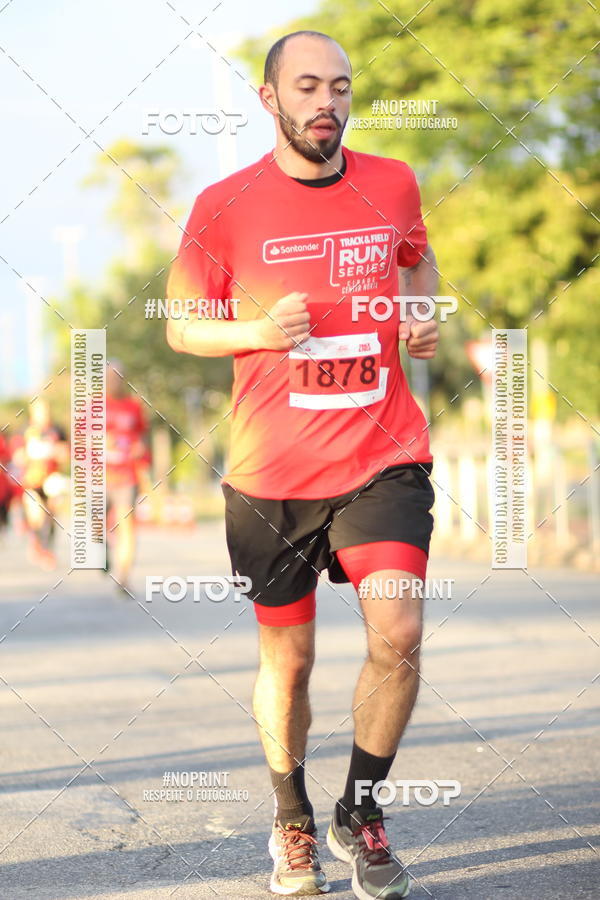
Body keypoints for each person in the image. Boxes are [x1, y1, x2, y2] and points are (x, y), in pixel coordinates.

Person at [166, 30, 439, 899]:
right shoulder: (223, 204)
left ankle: (359, 811)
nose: (329, 102)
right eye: (310, 86)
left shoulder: (391, 181)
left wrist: (422, 314)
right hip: (269, 474)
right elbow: (180, 324)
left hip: (382, 455)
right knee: (289, 661)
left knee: (397, 633)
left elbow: (417, 256)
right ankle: (290, 821)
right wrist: (255, 330)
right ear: (270, 98)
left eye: (343, 87)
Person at [105, 361, 150, 594]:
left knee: (127, 527)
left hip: (127, 476)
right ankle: (100, 549)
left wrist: (140, 452)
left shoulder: (134, 407)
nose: (114, 381)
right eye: (110, 377)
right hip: (100, 477)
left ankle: (123, 578)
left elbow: (142, 439)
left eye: (119, 377)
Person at [14, 398, 68, 570]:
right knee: (37, 516)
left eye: (45, 411)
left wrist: (57, 452)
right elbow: (17, 456)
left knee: (51, 515)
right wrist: (27, 455)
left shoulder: (57, 429)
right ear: (32, 412)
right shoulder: (25, 431)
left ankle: (47, 550)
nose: (43, 415)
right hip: (32, 480)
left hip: (52, 479)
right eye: (39, 411)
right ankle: (36, 542)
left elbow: (66, 453)